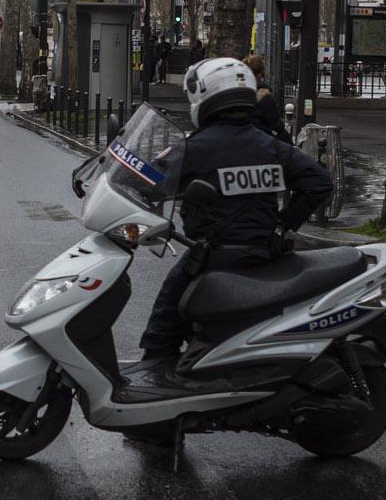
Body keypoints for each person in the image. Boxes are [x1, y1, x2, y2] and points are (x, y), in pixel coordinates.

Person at [137, 58, 333, 372]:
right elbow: (319, 183)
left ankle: (156, 369)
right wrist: (284, 224)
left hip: (212, 257)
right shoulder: (272, 146)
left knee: (167, 312)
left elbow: (146, 184)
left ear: (204, 96)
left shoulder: (194, 148)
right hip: (264, 257)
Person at [242, 54, 288, 139]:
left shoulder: (235, 94)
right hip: (259, 144)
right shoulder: (265, 97)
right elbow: (277, 127)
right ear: (260, 74)